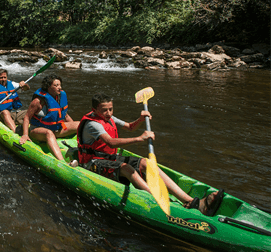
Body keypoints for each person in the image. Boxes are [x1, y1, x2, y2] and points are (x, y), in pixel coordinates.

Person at [77, 93, 224, 216]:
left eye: (111, 109)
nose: (109, 113)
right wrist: (139, 138)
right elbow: (110, 142)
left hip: (108, 158)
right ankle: (162, 202)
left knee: (147, 163)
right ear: (95, 110)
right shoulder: (93, 124)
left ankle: (191, 201)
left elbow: (130, 127)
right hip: (92, 163)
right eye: (105, 110)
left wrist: (140, 120)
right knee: (128, 168)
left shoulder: (108, 118)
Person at [18, 74, 79, 160]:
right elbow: (27, 117)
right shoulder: (38, 101)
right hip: (38, 131)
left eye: (60, 85)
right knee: (49, 133)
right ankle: (62, 162)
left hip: (57, 128)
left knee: (80, 124)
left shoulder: (59, 96)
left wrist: (73, 127)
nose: (60, 87)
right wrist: (25, 135)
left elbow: (65, 115)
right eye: (56, 85)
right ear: (48, 87)